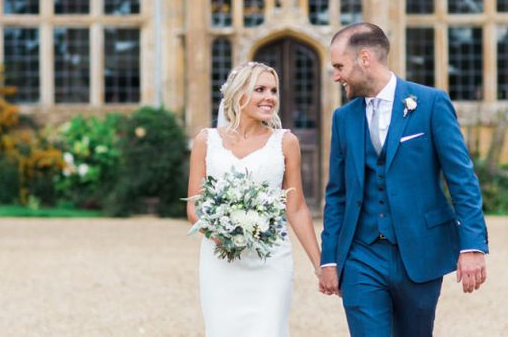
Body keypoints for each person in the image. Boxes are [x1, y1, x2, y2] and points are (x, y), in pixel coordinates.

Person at [319, 23, 488, 336]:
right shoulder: (343, 118)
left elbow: (462, 179)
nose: (336, 76)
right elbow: (338, 194)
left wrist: (473, 246)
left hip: (420, 251)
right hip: (360, 255)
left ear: (365, 58)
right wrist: (329, 258)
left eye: (339, 66)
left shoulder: (430, 103)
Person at [187, 61, 321, 337]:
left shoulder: (286, 142)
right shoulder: (205, 140)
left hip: (270, 259)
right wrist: (220, 234)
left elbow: (295, 208)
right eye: (260, 89)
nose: (269, 97)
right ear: (238, 94)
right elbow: (194, 205)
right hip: (220, 259)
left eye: (273, 90)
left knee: (268, 329)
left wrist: (320, 265)